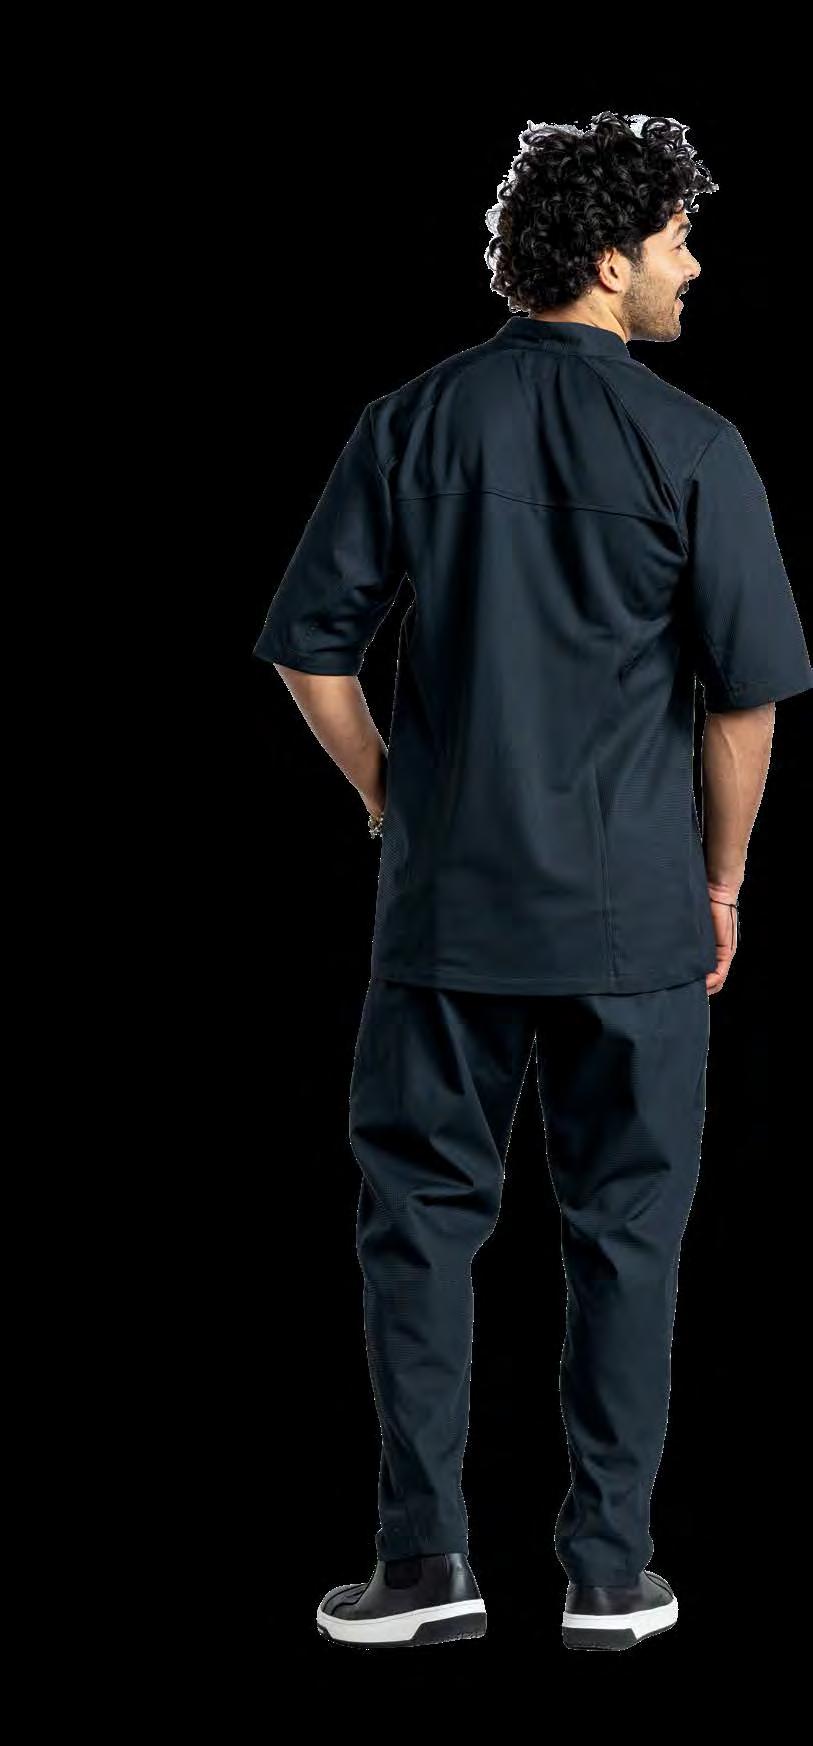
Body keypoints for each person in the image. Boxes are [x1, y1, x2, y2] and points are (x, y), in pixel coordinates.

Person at [253, 112, 812, 1651]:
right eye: (678, 243)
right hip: (636, 921)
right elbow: (744, 703)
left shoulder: (411, 421)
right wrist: (722, 883)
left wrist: (391, 796)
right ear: (610, 259)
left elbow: (310, 649)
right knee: (626, 1230)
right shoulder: (694, 446)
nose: (693, 270)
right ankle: (610, 1573)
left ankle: (423, 1565)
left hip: (448, 911)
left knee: (418, 1225)